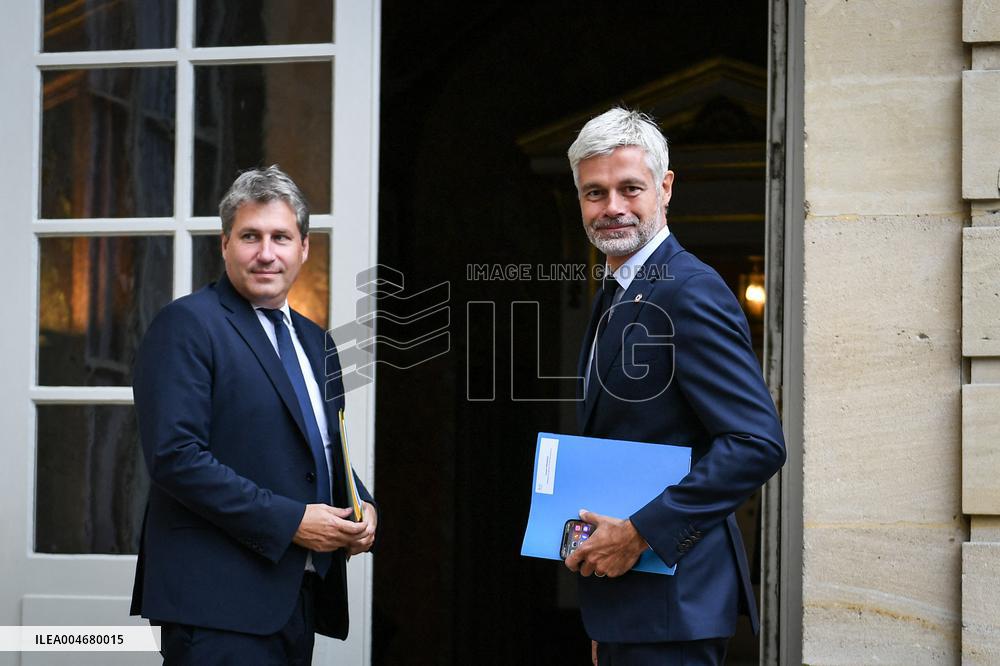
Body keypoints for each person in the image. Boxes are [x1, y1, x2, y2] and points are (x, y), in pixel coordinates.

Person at [563, 108, 786, 665]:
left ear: (664, 188)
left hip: (675, 603)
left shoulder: (689, 290)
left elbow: (755, 443)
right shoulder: (617, 290)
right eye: (595, 193)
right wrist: (611, 613)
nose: (612, 207)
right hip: (635, 605)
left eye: (630, 188)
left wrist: (638, 534)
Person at [130, 165, 377, 663]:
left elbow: (319, 448)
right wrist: (291, 522)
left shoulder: (316, 342)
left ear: (304, 248)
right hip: (215, 607)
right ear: (225, 245)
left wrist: (360, 504)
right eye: (250, 236)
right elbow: (176, 457)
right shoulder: (187, 324)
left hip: (296, 601)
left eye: (280, 237)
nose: (266, 253)